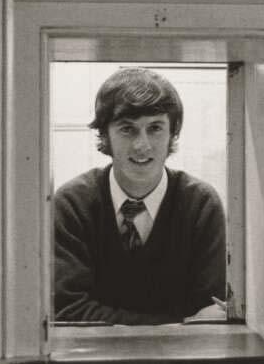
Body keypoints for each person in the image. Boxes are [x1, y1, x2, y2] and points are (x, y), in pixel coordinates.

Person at [53, 67, 227, 325]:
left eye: (155, 128)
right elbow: (68, 311)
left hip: (183, 363)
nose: (142, 145)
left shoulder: (201, 205)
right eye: (127, 129)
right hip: (90, 362)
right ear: (105, 135)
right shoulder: (71, 204)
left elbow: (210, 311)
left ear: (172, 133)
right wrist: (176, 326)